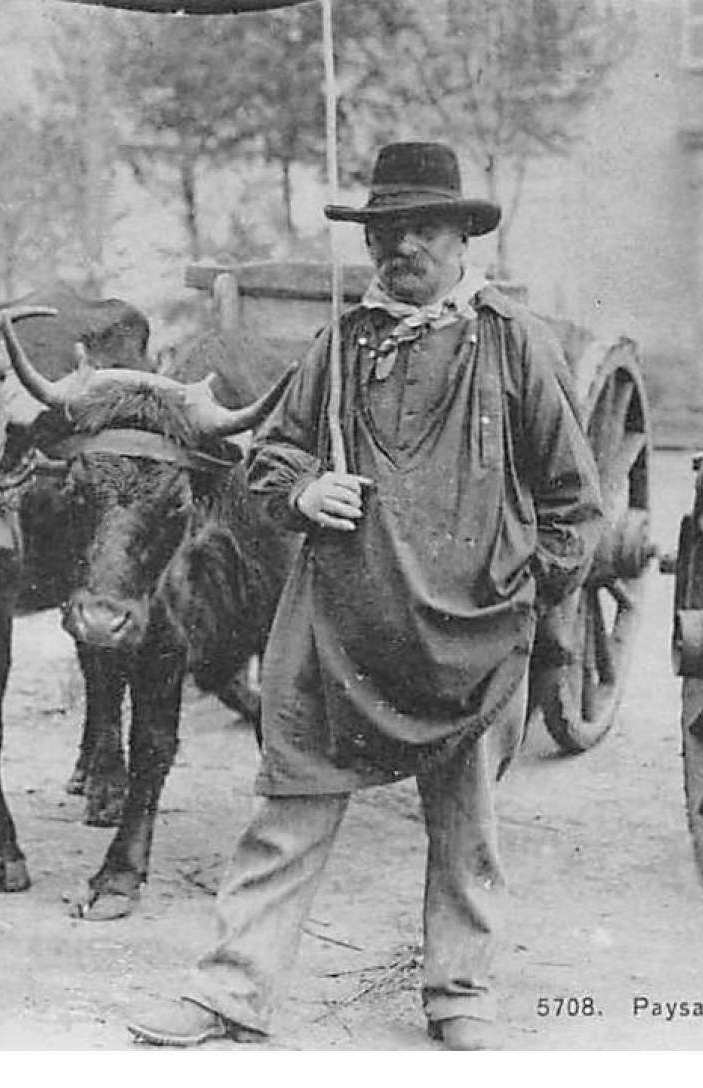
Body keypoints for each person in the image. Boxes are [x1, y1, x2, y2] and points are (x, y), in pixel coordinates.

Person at [126, 141, 603, 1051]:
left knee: (466, 828)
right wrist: (302, 491)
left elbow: (574, 507)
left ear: (462, 239)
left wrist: (518, 596)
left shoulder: (513, 346)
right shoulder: (339, 346)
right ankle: (231, 990)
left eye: (423, 229)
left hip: (472, 632)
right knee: (288, 809)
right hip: (336, 625)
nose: (402, 249)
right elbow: (269, 459)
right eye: (385, 232)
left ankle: (459, 990)